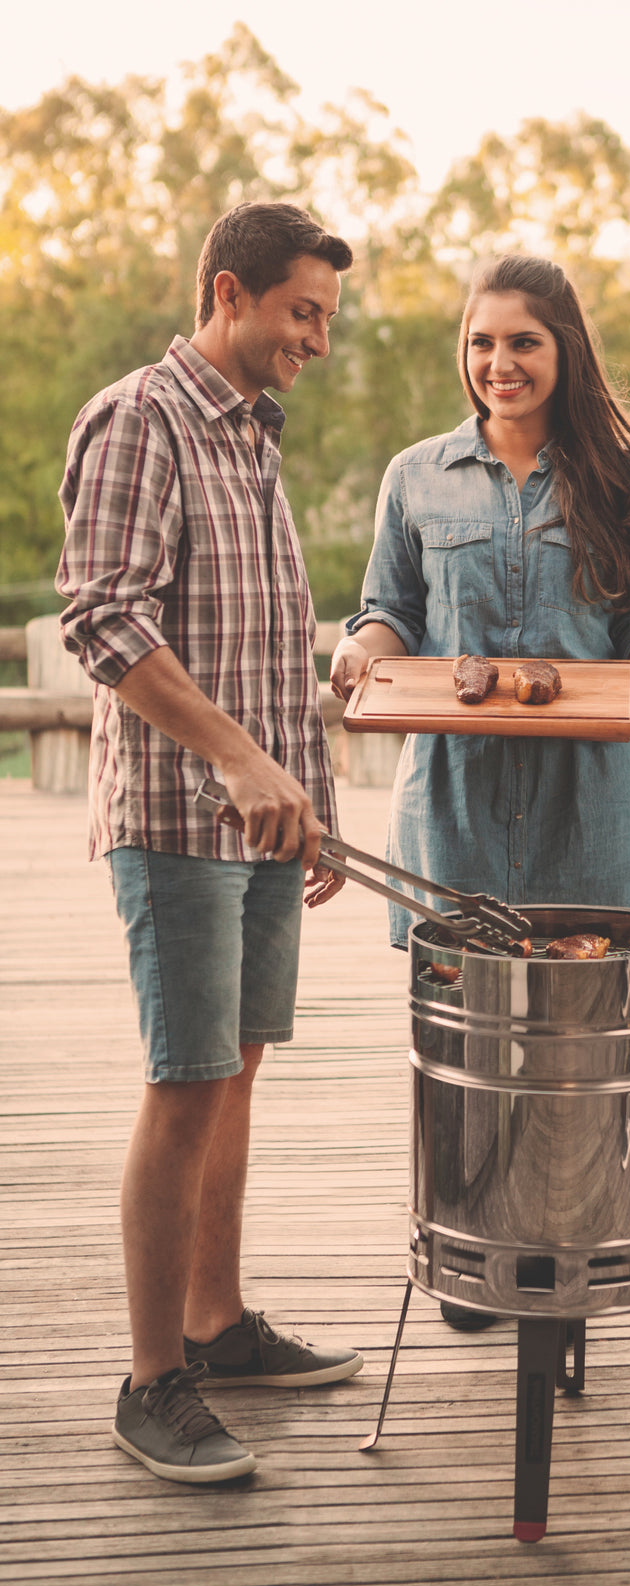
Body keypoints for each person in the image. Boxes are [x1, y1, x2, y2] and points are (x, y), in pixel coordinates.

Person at [330, 255, 630, 1325]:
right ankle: (478, 1246)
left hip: (589, 795)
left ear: (564, 350)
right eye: (483, 341)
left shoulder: (621, 475)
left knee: (581, 1038)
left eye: (524, 342)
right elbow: (388, 608)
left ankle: (566, 1252)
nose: (499, 362)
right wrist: (362, 651)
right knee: (463, 1035)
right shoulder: (416, 474)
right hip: (450, 795)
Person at [56, 202, 364, 1486]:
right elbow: (103, 620)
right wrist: (236, 759)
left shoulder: (252, 438)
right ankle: (150, 1381)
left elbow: (275, 638)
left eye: (327, 321)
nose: (317, 340)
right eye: (303, 313)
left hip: (262, 824)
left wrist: (317, 799)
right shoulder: (142, 416)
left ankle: (218, 1324)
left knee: (235, 1069)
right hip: (181, 822)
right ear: (226, 292)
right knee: (185, 1083)